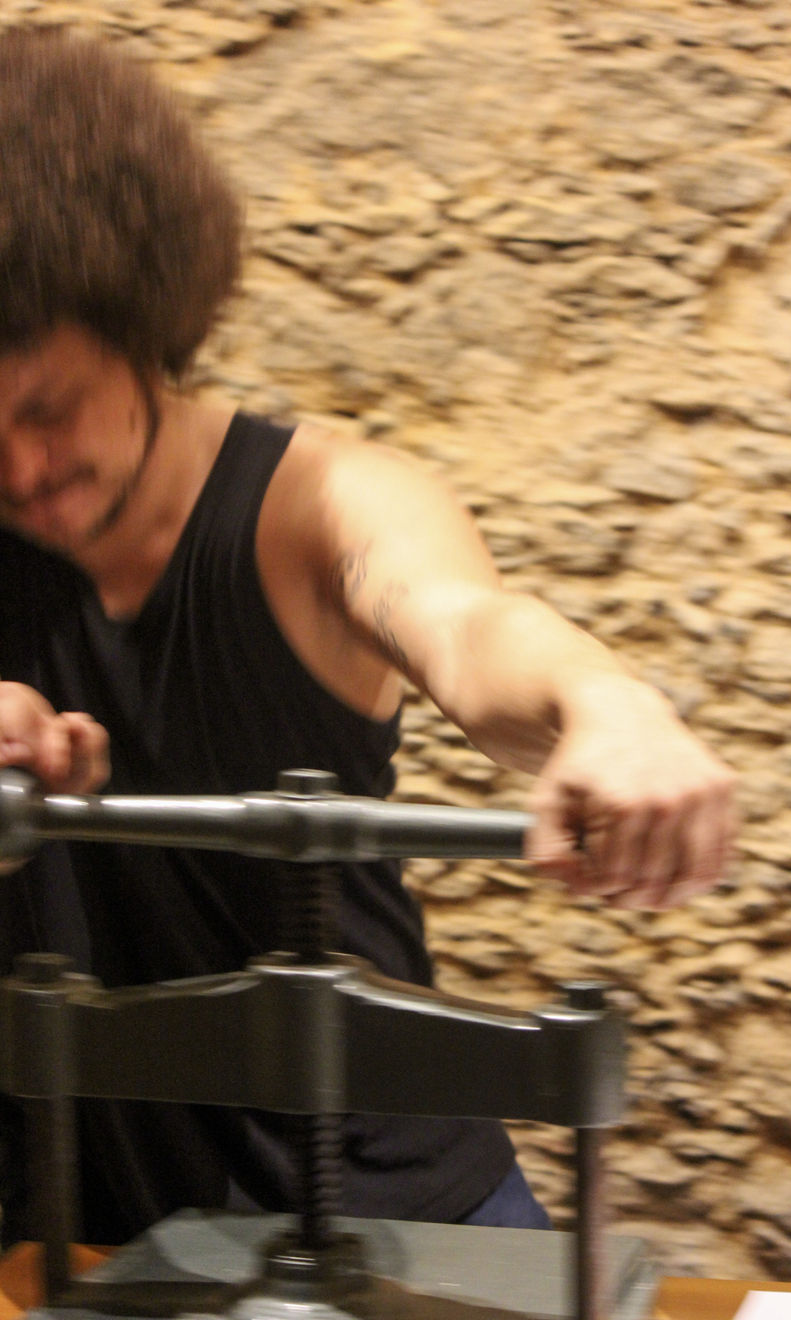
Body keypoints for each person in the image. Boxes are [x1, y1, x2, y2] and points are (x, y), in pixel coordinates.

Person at [0, 27, 736, 1246]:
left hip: (388, 1217)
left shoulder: (321, 504)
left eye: (50, 408)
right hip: (84, 1233)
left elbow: (466, 627)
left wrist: (609, 707)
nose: (21, 470)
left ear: (141, 327)